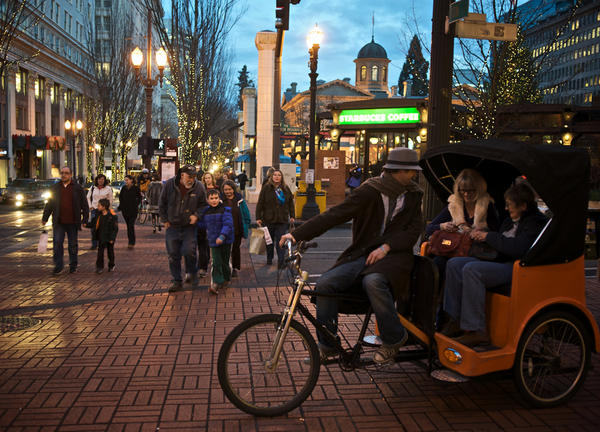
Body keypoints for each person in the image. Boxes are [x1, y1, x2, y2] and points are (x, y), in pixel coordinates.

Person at [280, 148, 424, 364]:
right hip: (364, 253)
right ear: (397, 171)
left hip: (394, 256)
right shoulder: (371, 191)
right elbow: (335, 215)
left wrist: (386, 247)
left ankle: (394, 338)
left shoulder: (413, 194)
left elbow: (414, 230)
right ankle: (328, 344)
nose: (413, 175)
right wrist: (296, 234)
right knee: (325, 285)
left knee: (373, 281)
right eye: (410, 171)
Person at [441, 182, 548, 347]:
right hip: (498, 260)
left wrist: (489, 237)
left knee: (472, 269)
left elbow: (518, 248)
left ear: (524, 206)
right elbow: (499, 240)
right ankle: (454, 319)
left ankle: (477, 330)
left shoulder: (535, 223)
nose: (506, 209)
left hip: (517, 267)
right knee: (454, 264)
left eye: (510, 206)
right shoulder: (508, 220)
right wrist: (482, 236)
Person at [425, 168, 499, 279]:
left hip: (476, 252)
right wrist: (443, 226)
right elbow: (429, 228)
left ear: (479, 189)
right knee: (436, 263)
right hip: (453, 249)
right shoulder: (454, 204)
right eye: (462, 190)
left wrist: (479, 233)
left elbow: (496, 232)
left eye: (470, 190)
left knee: (454, 265)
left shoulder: (488, 206)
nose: (466, 194)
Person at [159, 165, 207, 292]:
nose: (191, 179)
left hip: (189, 227)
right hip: (172, 225)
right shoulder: (169, 185)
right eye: (189, 177)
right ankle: (177, 280)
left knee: (189, 251)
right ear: (182, 175)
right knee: (173, 254)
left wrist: (196, 215)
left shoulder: (199, 187)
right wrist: (164, 219)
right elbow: (162, 203)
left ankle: (192, 272)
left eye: (194, 177)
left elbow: (203, 205)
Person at [41, 166, 89, 274]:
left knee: (72, 245)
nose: (63, 175)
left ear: (70, 175)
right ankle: (58, 265)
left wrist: (85, 219)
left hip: (73, 222)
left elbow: (84, 205)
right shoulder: (55, 188)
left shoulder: (77, 188)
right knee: (57, 243)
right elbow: (50, 204)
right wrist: (45, 217)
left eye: (66, 173)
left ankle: (73, 265)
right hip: (59, 221)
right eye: (62, 173)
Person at [256, 168, 295, 268]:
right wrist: (258, 217)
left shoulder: (286, 189)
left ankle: (281, 262)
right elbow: (260, 203)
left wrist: (292, 216)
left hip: (282, 220)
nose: (277, 177)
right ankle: (269, 257)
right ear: (272, 177)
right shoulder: (266, 188)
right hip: (268, 219)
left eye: (279, 175)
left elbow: (290, 203)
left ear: (281, 177)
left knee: (280, 241)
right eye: (275, 175)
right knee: (269, 241)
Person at [198, 189, 234, 294]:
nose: (214, 200)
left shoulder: (225, 210)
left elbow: (228, 225)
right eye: (211, 198)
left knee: (224, 261)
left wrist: (222, 236)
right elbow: (203, 225)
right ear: (207, 200)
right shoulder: (206, 212)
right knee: (216, 261)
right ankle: (216, 283)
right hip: (213, 240)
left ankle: (226, 278)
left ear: (219, 198)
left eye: (216, 198)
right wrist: (194, 223)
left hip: (226, 240)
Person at [221, 179, 251, 277]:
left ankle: (235, 268)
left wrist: (246, 225)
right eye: (225, 190)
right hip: (225, 230)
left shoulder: (239, 199)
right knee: (225, 249)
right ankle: (225, 267)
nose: (228, 192)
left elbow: (246, 214)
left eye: (229, 189)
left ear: (233, 189)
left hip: (237, 229)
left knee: (235, 249)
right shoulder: (221, 200)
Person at [197, 172, 219, 277]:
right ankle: (202, 266)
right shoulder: (201, 190)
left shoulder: (217, 189)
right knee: (203, 245)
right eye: (205, 178)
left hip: (214, 219)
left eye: (209, 178)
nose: (207, 180)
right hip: (204, 220)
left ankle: (209, 264)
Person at [87, 174, 113, 249]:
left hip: (104, 210)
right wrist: (90, 206)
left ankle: (103, 243)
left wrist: (109, 209)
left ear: (104, 180)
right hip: (95, 209)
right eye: (99, 179)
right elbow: (88, 197)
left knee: (103, 227)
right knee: (94, 228)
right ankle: (94, 244)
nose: (100, 181)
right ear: (96, 180)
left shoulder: (108, 188)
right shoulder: (93, 188)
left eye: (102, 179)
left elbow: (110, 199)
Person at [94, 198, 118, 274]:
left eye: (99, 206)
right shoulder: (98, 215)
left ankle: (111, 265)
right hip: (101, 237)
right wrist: (86, 224)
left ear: (104, 207)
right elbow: (93, 224)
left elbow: (115, 229)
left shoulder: (112, 216)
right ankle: (99, 267)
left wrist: (112, 238)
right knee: (100, 253)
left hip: (109, 237)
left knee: (110, 252)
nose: (98, 207)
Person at [117, 175, 141, 249]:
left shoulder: (135, 188)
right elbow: (121, 197)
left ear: (131, 180)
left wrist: (136, 204)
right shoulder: (124, 188)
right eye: (125, 180)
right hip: (125, 210)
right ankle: (130, 241)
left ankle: (131, 242)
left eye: (127, 180)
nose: (126, 181)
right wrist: (121, 206)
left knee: (131, 225)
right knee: (128, 226)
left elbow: (139, 197)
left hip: (133, 210)